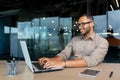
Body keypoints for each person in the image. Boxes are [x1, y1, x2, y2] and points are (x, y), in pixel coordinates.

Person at [38, 14, 109, 69]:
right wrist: (52, 60)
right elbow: (64, 54)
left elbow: (92, 60)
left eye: (83, 24)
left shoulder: (102, 42)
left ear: (91, 24)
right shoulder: (75, 39)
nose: (80, 27)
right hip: (71, 71)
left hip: (90, 73)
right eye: (79, 24)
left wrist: (63, 63)